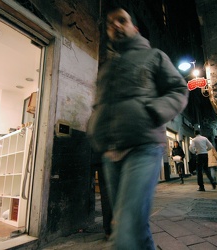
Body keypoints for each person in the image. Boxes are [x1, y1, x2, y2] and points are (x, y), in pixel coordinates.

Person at [86, 5, 188, 249]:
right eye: (110, 24)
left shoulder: (154, 56)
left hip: (144, 145)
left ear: (135, 27)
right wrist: (95, 128)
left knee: (125, 226)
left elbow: (179, 89)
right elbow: (100, 105)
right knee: (136, 226)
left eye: (121, 20)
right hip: (110, 152)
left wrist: (153, 111)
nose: (116, 26)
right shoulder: (107, 68)